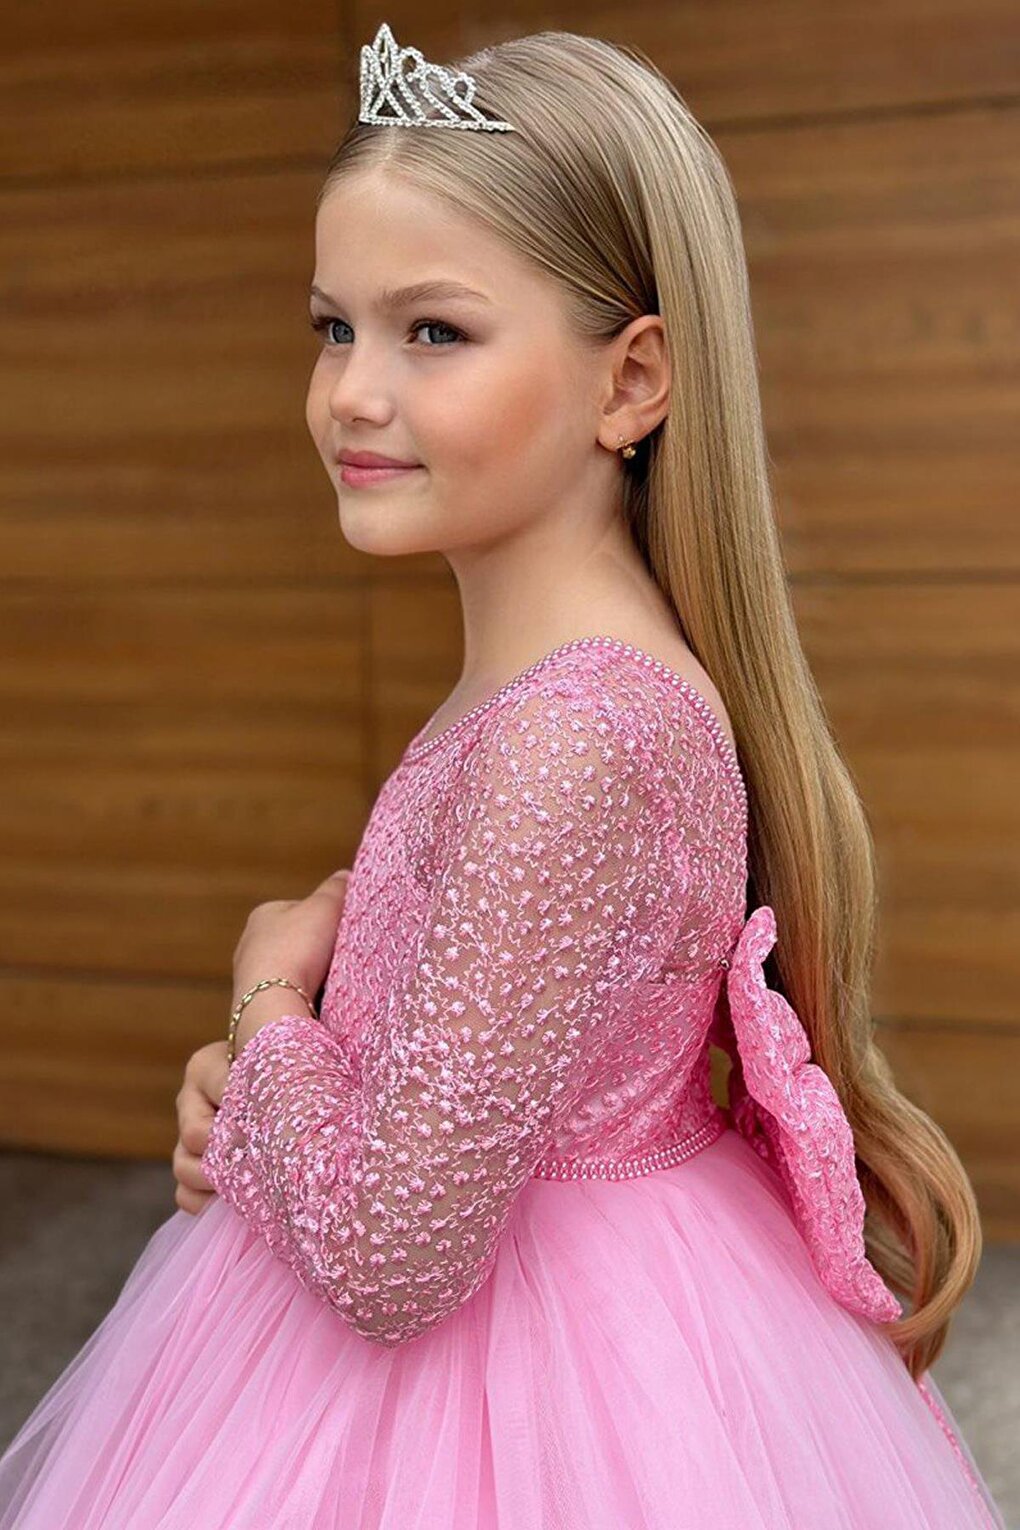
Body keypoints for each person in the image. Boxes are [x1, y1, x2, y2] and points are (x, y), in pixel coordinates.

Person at [0, 20, 1007, 1529]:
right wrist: (287, 1080)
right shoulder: (546, 688)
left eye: (434, 332)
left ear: (632, 381)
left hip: (529, 1381)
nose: (348, 391)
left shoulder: (569, 735)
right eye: (332, 326)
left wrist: (271, 993)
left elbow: (396, 1247)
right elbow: (459, 1078)